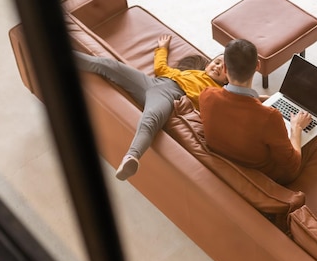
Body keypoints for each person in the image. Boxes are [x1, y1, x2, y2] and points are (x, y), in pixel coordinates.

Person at [199, 39, 317, 185]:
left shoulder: (206, 95)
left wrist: (259, 99)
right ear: (257, 66)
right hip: (274, 174)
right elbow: (292, 165)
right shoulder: (269, 117)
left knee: (287, 103)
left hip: (234, 157)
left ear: (226, 69)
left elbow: (235, 108)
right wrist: (296, 128)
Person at [74, 34, 228, 180]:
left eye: (225, 68)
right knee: (108, 64)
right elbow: (161, 69)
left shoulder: (217, 92)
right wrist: (162, 49)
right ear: (208, 64)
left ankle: (132, 157)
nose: (219, 66)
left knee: (150, 120)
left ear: (228, 78)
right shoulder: (191, 72)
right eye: (217, 62)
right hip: (153, 83)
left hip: (170, 96)